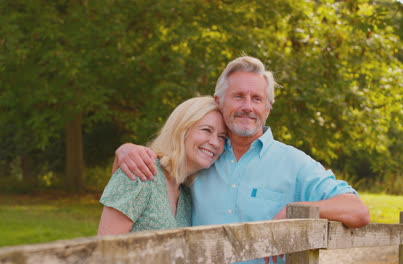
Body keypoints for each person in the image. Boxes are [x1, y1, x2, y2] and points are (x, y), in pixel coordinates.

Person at [114, 56, 370, 263]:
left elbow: (357, 211)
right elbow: (153, 174)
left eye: (256, 98)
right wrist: (125, 150)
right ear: (219, 101)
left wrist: (290, 212)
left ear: (268, 108)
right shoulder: (203, 156)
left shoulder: (294, 163)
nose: (247, 106)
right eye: (238, 96)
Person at [98, 96, 226, 236]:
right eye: (206, 130)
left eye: (222, 137)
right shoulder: (141, 170)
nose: (215, 142)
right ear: (181, 130)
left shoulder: (186, 194)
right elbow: (104, 249)